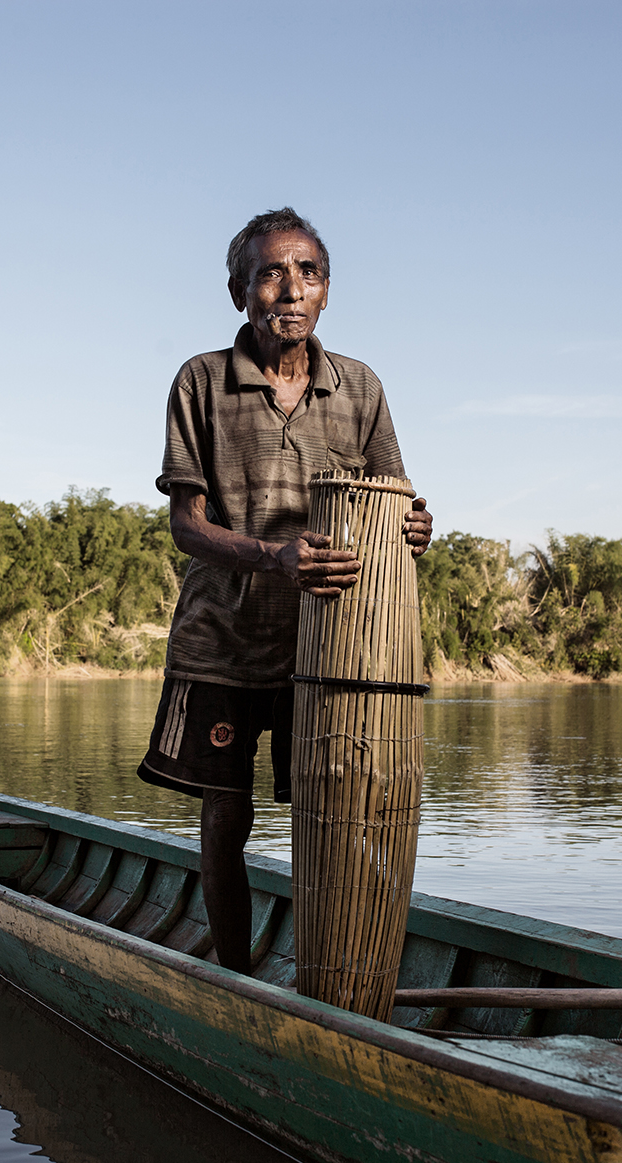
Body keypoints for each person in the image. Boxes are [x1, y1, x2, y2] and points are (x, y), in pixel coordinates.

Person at [136, 207, 433, 974]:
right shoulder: (202, 380)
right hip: (224, 639)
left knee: (331, 815)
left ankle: (333, 975)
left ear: (327, 292)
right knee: (226, 818)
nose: (289, 288)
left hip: (329, 643)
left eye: (307, 273)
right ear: (241, 293)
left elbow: (390, 500)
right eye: (270, 273)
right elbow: (186, 525)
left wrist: (414, 527)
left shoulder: (359, 386)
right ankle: (235, 982)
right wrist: (272, 557)